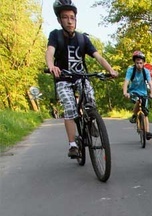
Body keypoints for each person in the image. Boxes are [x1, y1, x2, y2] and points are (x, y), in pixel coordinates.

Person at [45, 0, 118, 159]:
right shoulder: (55, 35)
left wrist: (110, 70)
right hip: (63, 78)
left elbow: (98, 57)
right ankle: (73, 145)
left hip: (81, 77)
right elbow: (50, 52)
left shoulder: (83, 39)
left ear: (76, 19)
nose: (70, 21)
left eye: (72, 17)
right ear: (59, 20)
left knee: (90, 100)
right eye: (65, 17)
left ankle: (90, 121)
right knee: (70, 107)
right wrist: (51, 66)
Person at [123, 50, 152, 140]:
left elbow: (150, 83)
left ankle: (147, 132)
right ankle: (134, 115)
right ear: (134, 63)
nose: (139, 65)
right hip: (133, 92)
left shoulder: (146, 72)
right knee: (138, 100)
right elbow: (126, 82)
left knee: (145, 112)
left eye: (141, 63)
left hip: (143, 92)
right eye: (137, 63)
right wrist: (125, 92)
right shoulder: (130, 70)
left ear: (143, 63)